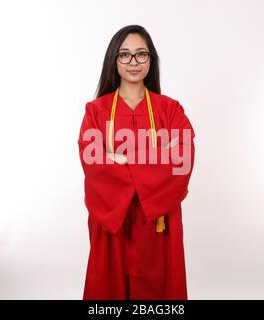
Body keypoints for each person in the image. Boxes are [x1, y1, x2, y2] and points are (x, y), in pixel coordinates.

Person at [78, 25, 196, 300]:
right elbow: (92, 161)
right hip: (112, 221)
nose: (133, 62)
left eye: (141, 54)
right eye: (125, 55)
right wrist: (155, 160)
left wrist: (118, 158)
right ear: (114, 60)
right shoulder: (96, 112)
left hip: (158, 221)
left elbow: (182, 158)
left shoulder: (170, 110)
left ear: (151, 59)